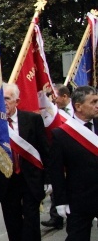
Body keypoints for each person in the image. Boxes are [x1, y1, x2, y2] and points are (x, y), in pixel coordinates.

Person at [0, 82, 49, 241]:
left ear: (17, 100)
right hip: (6, 180)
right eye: (0, 99)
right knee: (12, 222)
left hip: (30, 180)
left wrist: (47, 180)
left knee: (31, 222)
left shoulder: (32, 120)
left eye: (7, 98)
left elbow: (43, 149)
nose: (3, 102)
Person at [49, 85, 98, 241]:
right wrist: (60, 200)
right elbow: (56, 170)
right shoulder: (62, 134)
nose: (97, 106)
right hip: (79, 197)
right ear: (78, 106)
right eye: (93, 102)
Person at [42, 83, 74, 229]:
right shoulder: (53, 113)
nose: (52, 99)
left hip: (74, 157)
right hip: (58, 154)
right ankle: (56, 217)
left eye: (55, 96)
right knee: (57, 182)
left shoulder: (78, 110)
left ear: (65, 96)